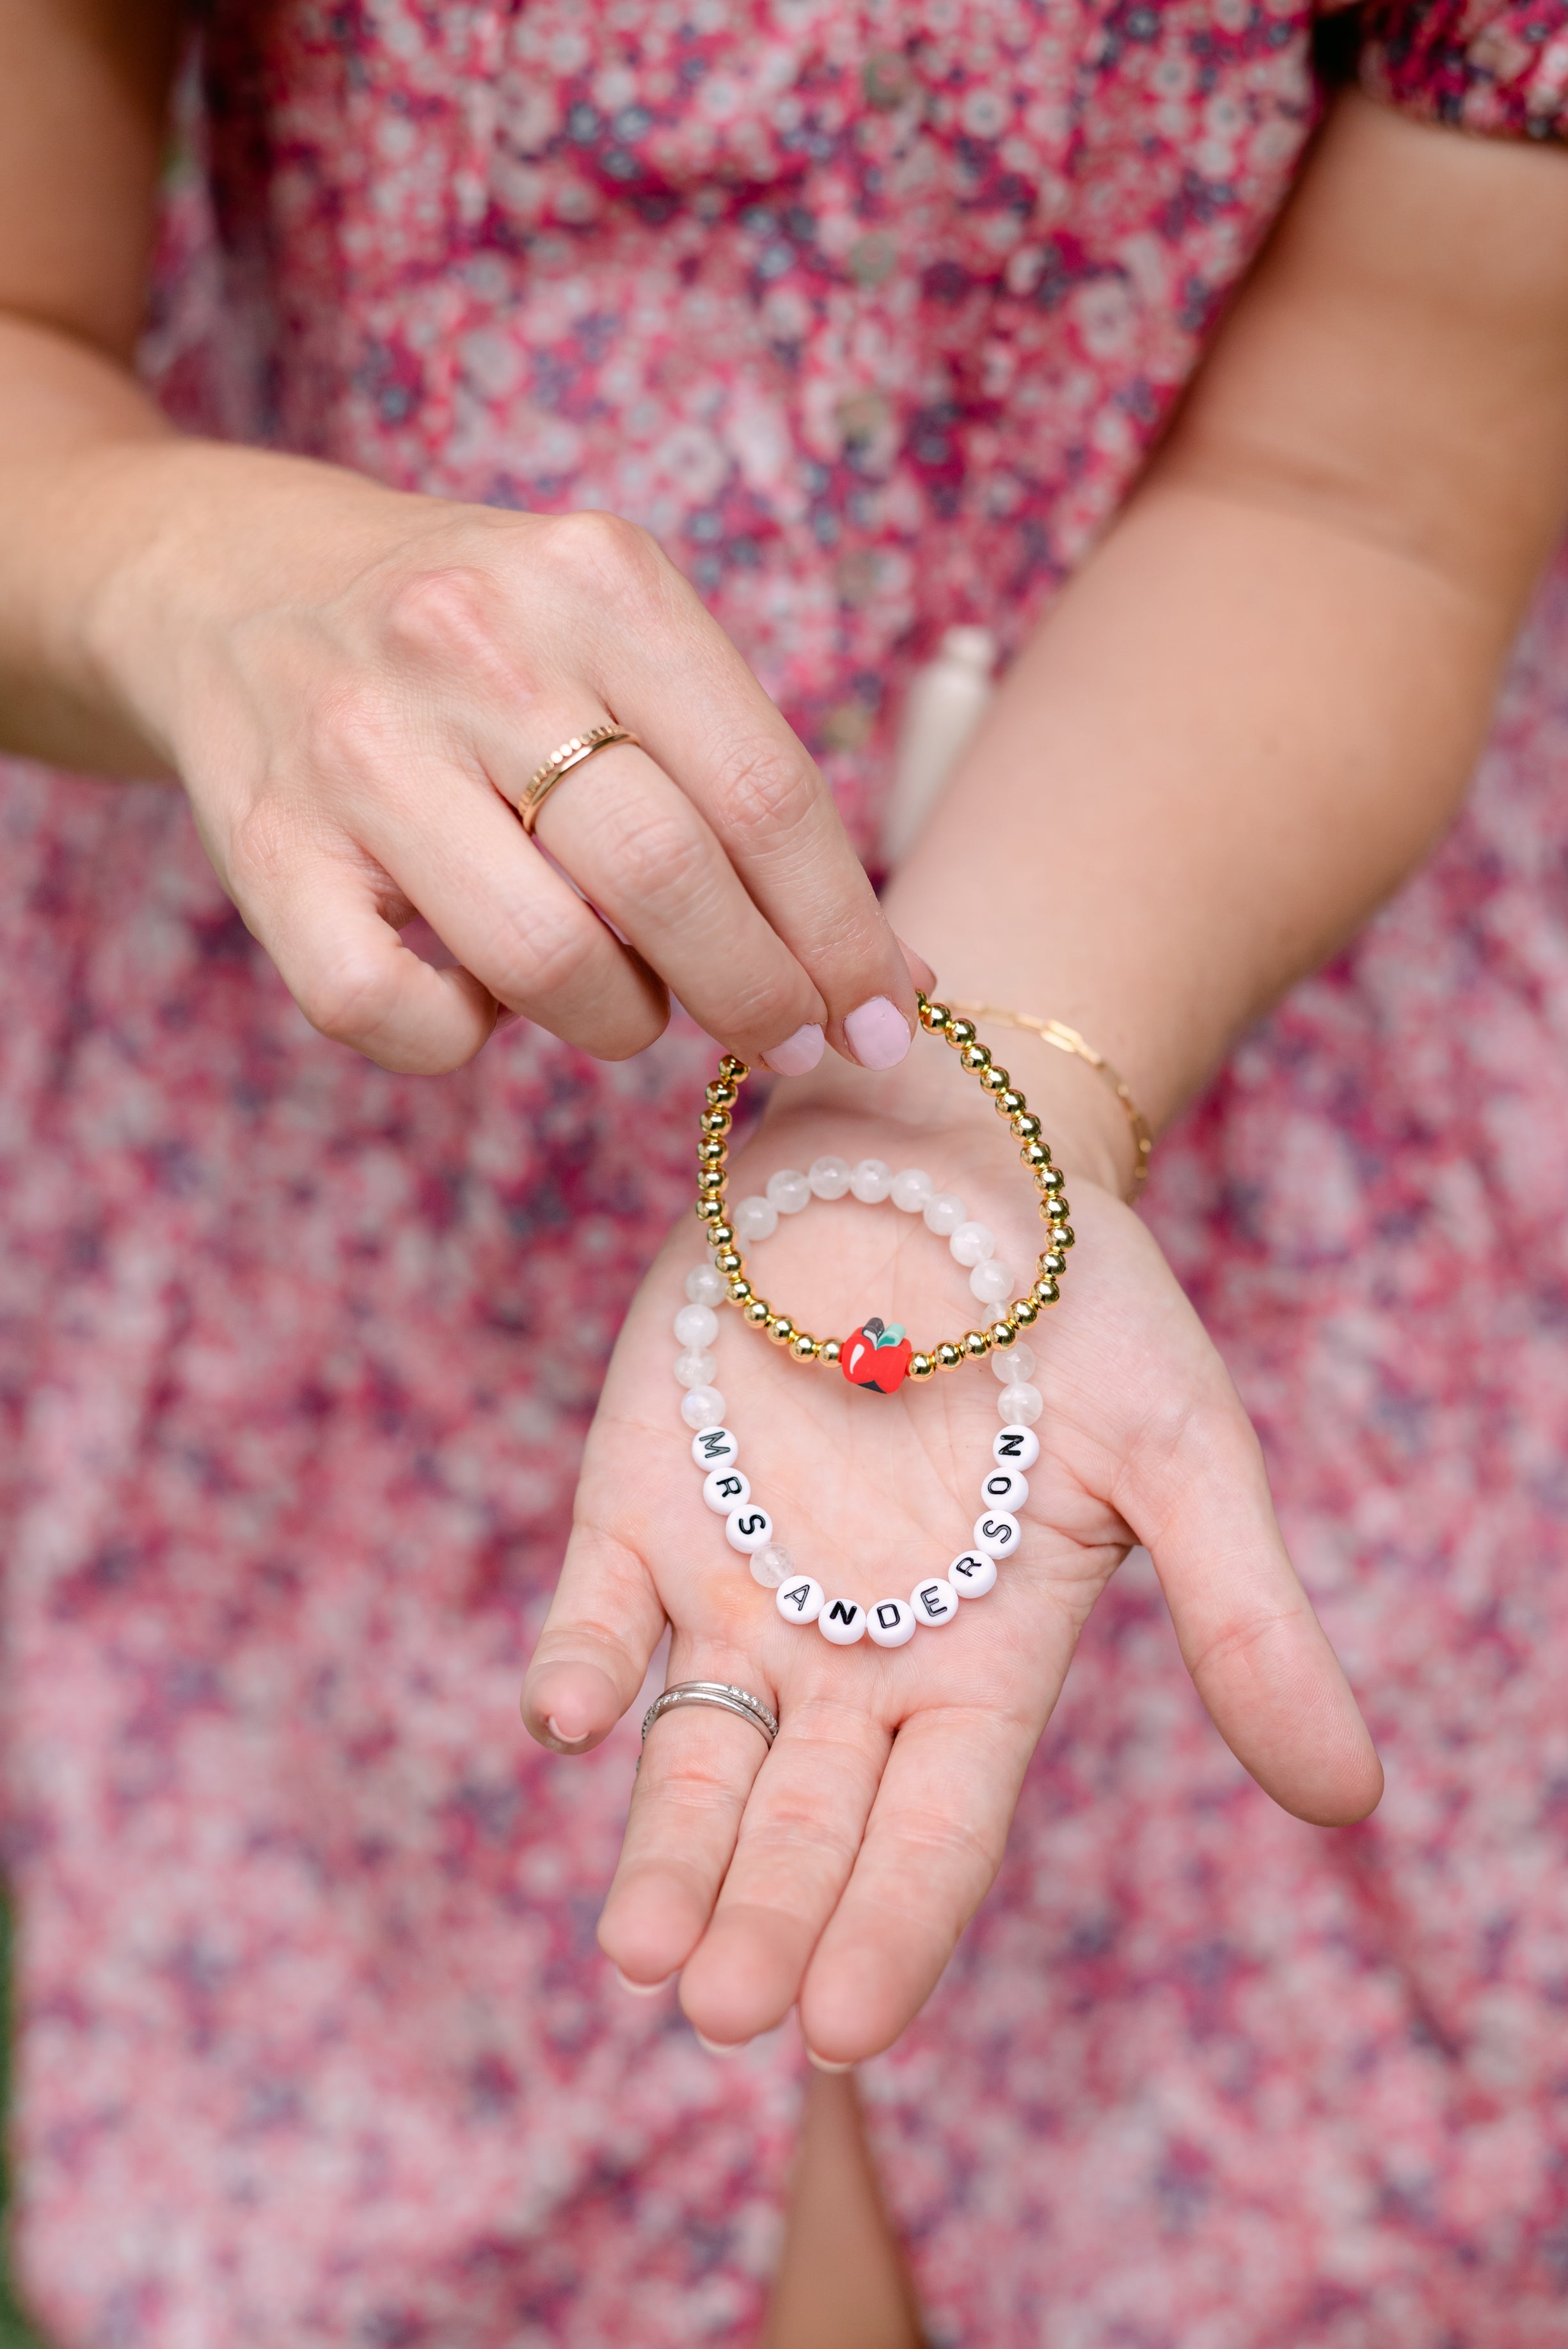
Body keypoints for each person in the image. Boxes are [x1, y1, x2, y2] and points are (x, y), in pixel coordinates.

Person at [0, 1, 1564, 2342]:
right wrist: (222, 577)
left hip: (1240, 1022)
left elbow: (1367, 480)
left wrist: (971, 1119)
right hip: (369, 1194)